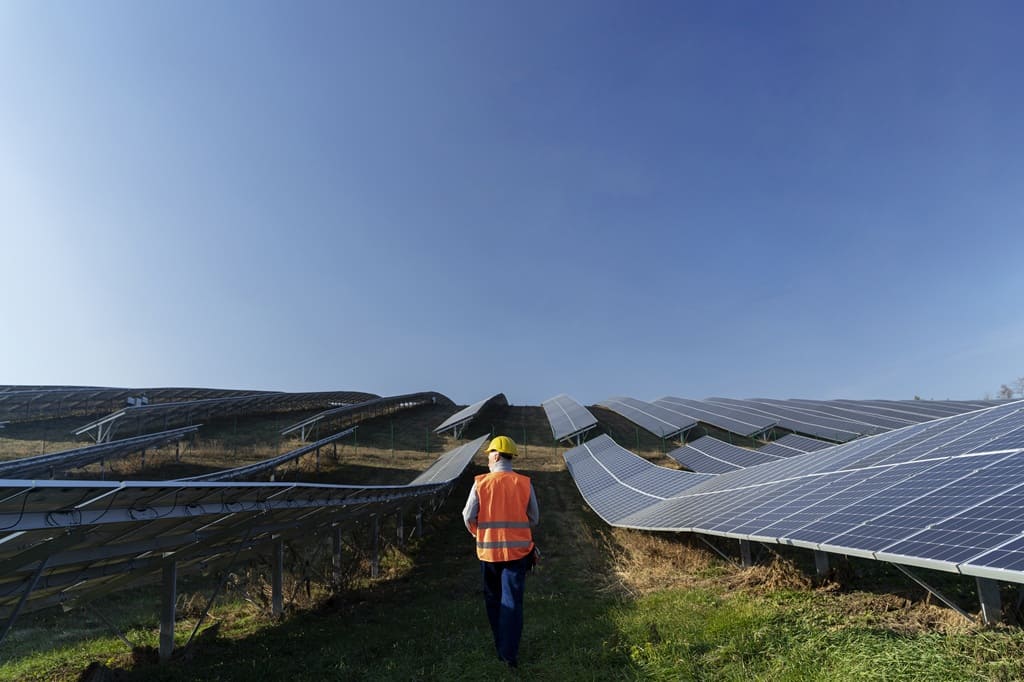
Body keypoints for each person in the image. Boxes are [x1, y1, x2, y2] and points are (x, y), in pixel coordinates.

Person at [462, 435, 539, 669]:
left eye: (488, 456)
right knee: (512, 602)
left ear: (495, 456)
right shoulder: (524, 483)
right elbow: (534, 518)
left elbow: (467, 515)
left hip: (488, 555)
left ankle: (501, 647)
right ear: (511, 457)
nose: (487, 461)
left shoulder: (481, 483)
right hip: (518, 553)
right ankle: (509, 654)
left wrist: (478, 532)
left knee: (494, 601)